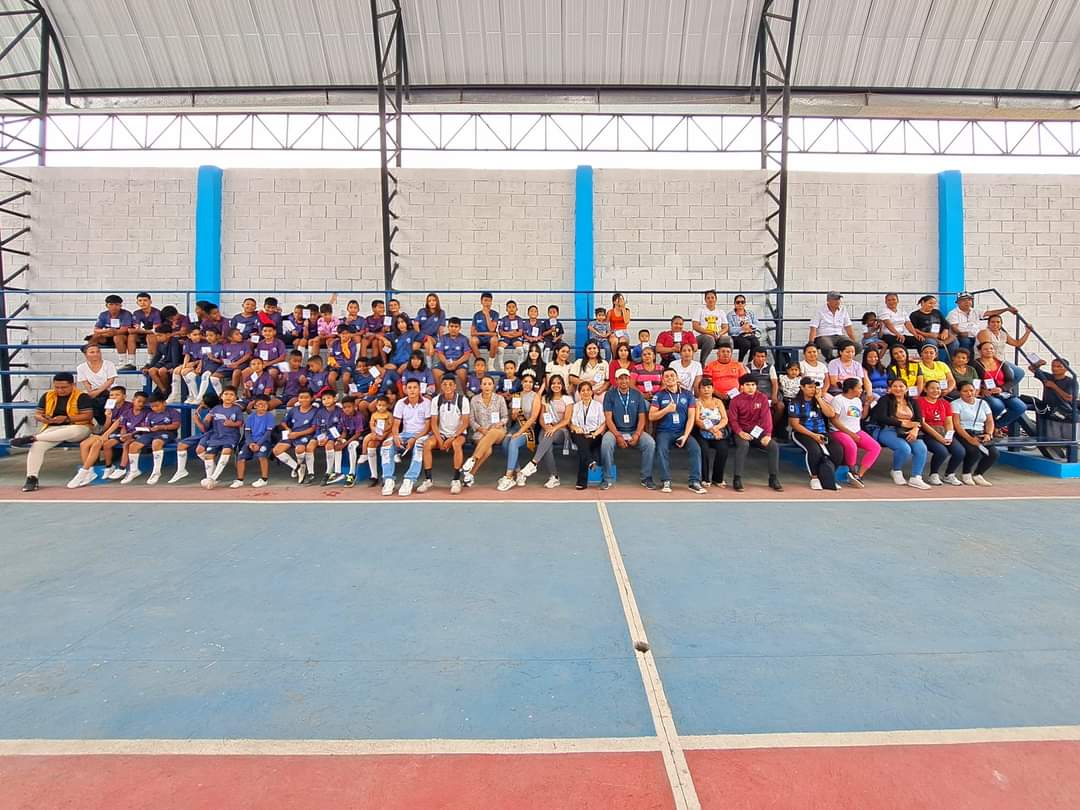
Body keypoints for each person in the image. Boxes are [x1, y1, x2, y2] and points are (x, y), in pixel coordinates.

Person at [12, 372, 94, 492]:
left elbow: (88, 416)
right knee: (37, 446)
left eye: (64, 387)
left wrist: (67, 419)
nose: (60, 390)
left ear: (73, 385)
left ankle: (33, 437)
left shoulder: (82, 396)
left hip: (78, 427)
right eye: (57, 387)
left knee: (73, 430)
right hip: (53, 429)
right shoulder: (48, 395)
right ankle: (32, 478)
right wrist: (43, 418)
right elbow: (37, 414)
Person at [649, 368, 706, 494]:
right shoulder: (659, 395)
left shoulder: (688, 395)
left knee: (696, 449)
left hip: (682, 431)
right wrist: (666, 410)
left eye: (672, 376)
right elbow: (651, 416)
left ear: (677, 378)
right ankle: (666, 480)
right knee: (661, 449)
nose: (670, 378)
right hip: (664, 432)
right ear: (663, 380)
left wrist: (685, 436)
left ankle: (694, 481)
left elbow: (691, 417)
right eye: (666, 376)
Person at [869, 378, 931, 489]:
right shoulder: (885, 399)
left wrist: (915, 429)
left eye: (901, 386)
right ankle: (896, 470)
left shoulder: (912, 401)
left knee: (921, 448)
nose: (898, 389)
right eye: (895, 386)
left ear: (906, 389)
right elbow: (882, 417)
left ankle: (916, 477)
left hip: (910, 430)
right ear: (890, 389)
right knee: (904, 448)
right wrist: (902, 423)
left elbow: (919, 419)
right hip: (888, 429)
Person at [600, 368, 655, 490]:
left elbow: (642, 418)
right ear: (616, 380)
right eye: (620, 378)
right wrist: (618, 436)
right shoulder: (610, 394)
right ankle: (607, 478)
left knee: (650, 443)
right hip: (615, 431)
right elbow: (608, 418)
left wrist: (637, 434)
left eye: (626, 378)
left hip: (634, 430)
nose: (623, 381)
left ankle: (646, 477)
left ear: (629, 379)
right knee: (606, 443)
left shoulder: (637, 394)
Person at [727, 374, 783, 492]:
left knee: (773, 445)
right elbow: (732, 420)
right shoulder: (735, 400)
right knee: (744, 445)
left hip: (758, 431)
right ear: (742, 387)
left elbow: (766, 417)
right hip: (741, 431)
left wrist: (768, 434)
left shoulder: (762, 398)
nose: (751, 387)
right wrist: (740, 432)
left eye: (753, 385)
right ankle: (737, 478)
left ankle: (773, 478)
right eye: (747, 385)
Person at [67, 385, 130, 487]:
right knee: (84, 444)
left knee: (97, 444)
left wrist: (105, 435)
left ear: (124, 396)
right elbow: (106, 426)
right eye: (112, 395)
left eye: (117, 395)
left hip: (122, 432)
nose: (114, 397)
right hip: (108, 432)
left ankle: (83, 471)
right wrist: (108, 417)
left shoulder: (128, 407)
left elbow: (118, 423)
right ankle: (89, 472)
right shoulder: (110, 407)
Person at [788, 378, 843, 491]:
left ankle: (829, 477)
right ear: (802, 387)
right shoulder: (795, 402)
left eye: (814, 387)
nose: (813, 389)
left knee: (837, 450)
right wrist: (813, 436)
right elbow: (795, 425)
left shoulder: (818, 400)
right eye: (810, 387)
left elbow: (831, 414)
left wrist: (819, 398)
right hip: (802, 433)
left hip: (821, 432)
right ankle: (814, 478)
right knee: (814, 451)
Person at [519, 375, 574, 489]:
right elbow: (541, 419)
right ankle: (554, 477)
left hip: (561, 430)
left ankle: (533, 463)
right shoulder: (545, 398)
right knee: (546, 446)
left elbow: (566, 420)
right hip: (546, 428)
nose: (556, 385)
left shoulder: (567, 399)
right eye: (553, 383)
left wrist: (554, 428)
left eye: (558, 383)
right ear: (550, 385)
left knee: (547, 439)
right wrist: (546, 427)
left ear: (562, 385)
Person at [381, 379, 432, 496]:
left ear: (419, 389)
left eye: (415, 387)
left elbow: (427, 427)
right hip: (405, 433)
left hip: (422, 434)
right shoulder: (400, 403)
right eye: (409, 388)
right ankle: (388, 479)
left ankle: (409, 479)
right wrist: (395, 437)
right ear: (405, 390)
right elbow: (396, 425)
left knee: (419, 446)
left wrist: (414, 438)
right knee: (386, 446)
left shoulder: (427, 403)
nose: (412, 390)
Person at [420, 376, 470, 493]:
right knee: (427, 445)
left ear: (455, 386)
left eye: (450, 384)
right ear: (441, 386)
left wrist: (452, 438)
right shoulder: (436, 400)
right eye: (445, 384)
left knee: (456, 445)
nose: (447, 387)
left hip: (458, 434)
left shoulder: (463, 400)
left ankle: (456, 480)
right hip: (441, 433)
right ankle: (428, 479)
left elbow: (465, 423)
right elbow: (433, 423)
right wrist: (440, 440)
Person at [828, 378, 881, 488]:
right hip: (838, 431)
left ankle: (859, 475)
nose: (861, 390)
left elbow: (862, 416)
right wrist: (851, 434)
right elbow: (834, 420)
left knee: (875, 447)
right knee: (851, 445)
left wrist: (867, 404)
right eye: (859, 388)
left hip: (856, 430)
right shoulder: (838, 400)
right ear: (850, 389)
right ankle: (852, 471)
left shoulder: (857, 400)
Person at [460, 374, 508, 487]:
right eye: (484, 384)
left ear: (493, 386)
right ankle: (470, 474)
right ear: (480, 386)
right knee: (487, 451)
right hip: (480, 432)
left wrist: (499, 423)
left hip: (498, 431)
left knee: (493, 432)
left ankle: (473, 458)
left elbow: (505, 417)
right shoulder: (474, 400)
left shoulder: (500, 399)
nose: (487, 386)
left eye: (489, 384)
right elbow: (471, 420)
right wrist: (481, 429)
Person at [497, 369, 541, 491]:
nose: (528, 384)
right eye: (525, 381)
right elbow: (513, 418)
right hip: (516, 426)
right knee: (505, 443)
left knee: (513, 442)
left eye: (530, 382)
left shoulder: (535, 397)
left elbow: (533, 418)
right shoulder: (516, 396)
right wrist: (514, 414)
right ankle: (518, 472)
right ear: (521, 382)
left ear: (533, 384)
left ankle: (508, 476)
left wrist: (520, 432)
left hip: (528, 429)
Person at [123, 392, 181, 485]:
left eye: (157, 406)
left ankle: (156, 472)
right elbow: (147, 426)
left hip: (167, 432)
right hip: (150, 433)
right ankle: (134, 470)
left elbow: (176, 425)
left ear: (164, 403)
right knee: (133, 446)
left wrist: (161, 427)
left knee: (156, 443)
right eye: (152, 406)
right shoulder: (150, 414)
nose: (155, 408)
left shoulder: (173, 412)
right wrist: (135, 433)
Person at [972, 340, 1028, 432]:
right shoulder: (975, 364)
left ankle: (996, 426)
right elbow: (974, 379)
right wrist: (982, 390)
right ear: (980, 351)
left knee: (1020, 407)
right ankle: (988, 425)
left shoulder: (1002, 364)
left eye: (991, 348)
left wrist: (1001, 389)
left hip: (1002, 392)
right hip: (987, 393)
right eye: (986, 349)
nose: (989, 350)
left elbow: (1010, 380)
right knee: (998, 406)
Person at [918, 379, 964, 486]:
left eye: (938, 388)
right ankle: (933, 475)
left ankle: (949, 475)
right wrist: (940, 438)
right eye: (932, 388)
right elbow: (923, 423)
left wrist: (949, 435)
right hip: (927, 433)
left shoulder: (945, 403)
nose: (936, 391)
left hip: (943, 431)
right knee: (942, 452)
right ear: (926, 389)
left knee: (960, 451)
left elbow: (948, 422)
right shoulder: (920, 402)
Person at [197, 386, 245, 489]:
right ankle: (209, 478)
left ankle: (213, 478)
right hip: (217, 436)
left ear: (235, 398)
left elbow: (240, 423)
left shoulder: (237, 409)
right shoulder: (216, 409)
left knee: (226, 450)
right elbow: (206, 426)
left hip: (231, 436)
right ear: (221, 396)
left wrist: (232, 424)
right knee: (208, 455)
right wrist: (207, 419)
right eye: (226, 394)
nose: (228, 397)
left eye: (231, 395)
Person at [1028, 357, 1077, 457]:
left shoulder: (1071, 382)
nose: (1055, 369)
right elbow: (1032, 369)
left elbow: (1069, 398)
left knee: (1070, 441)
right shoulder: (1048, 377)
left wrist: (1054, 386)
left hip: (1065, 412)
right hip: (1050, 412)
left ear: (1066, 369)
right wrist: (1038, 364)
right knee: (1052, 440)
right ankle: (1058, 455)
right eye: (1053, 366)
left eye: (1058, 367)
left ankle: (1070, 457)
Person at [952, 382, 998, 485]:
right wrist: (969, 438)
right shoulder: (956, 404)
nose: (969, 393)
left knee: (993, 453)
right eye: (965, 391)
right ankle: (966, 473)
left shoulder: (983, 403)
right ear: (959, 392)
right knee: (974, 450)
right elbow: (957, 424)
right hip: (964, 433)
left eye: (971, 390)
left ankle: (978, 474)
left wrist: (988, 434)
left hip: (980, 433)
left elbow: (990, 421)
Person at [273, 389, 319, 484]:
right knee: (276, 450)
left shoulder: (315, 411)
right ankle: (298, 467)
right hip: (292, 433)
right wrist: (288, 429)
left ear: (311, 398)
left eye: (306, 397)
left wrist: (297, 434)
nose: (303, 400)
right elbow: (283, 422)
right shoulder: (293, 410)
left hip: (305, 435)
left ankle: (302, 470)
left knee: (300, 449)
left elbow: (313, 428)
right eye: (301, 397)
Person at [229, 395, 275, 489]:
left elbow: (268, 433)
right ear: (255, 406)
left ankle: (264, 479)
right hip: (251, 442)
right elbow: (247, 432)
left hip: (264, 442)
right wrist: (250, 443)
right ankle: (240, 480)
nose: (262, 406)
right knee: (241, 456)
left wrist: (258, 444)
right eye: (259, 404)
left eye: (265, 404)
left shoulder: (270, 416)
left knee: (262, 456)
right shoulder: (251, 417)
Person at [569, 381, 606, 490]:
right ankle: (590, 461)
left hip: (594, 434)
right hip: (579, 434)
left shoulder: (598, 405)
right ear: (579, 393)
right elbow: (572, 423)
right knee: (580, 439)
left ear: (591, 391)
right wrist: (577, 429)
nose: (585, 392)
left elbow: (603, 423)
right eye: (583, 390)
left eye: (588, 390)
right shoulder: (576, 406)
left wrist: (595, 434)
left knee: (583, 448)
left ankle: (582, 482)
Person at [977, 312, 1032, 386]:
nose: (995, 324)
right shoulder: (984, 332)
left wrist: (1027, 332)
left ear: (1001, 324)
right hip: (986, 360)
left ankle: (1004, 388)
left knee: (1020, 373)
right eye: (992, 322)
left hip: (1000, 361)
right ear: (988, 323)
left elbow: (1017, 343)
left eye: (998, 322)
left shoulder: (1003, 334)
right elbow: (987, 350)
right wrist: (1002, 365)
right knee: (1010, 373)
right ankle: (999, 389)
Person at [694, 378, 729, 488]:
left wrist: (717, 428)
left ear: (713, 389)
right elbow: (697, 420)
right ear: (699, 390)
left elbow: (725, 418)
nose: (706, 390)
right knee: (704, 450)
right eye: (703, 388)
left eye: (709, 387)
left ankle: (717, 478)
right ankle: (705, 479)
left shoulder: (718, 402)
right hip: (702, 431)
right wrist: (711, 429)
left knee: (723, 449)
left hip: (718, 430)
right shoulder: (697, 402)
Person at [87, 294, 136, 369]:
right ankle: (93, 362)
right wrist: (106, 331)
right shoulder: (103, 314)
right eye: (111, 304)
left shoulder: (126, 314)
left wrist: (109, 333)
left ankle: (122, 362)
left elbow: (124, 330)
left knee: (117, 337)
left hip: (123, 337)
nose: (114, 307)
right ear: (106, 305)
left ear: (120, 306)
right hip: (109, 335)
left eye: (116, 304)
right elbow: (96, 329)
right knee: (93, 338)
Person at [75, 343, 118, 424]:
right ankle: (100, 423)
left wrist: (98, 391)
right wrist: (91, 392)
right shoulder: (81, 367)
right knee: (87, 401)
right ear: (85, 354)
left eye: (98, 352)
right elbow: (86, 383)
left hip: (110, 391)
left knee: (107, 402)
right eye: (92, 352)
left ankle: (109, 423)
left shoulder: (109, 364)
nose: (96, 354)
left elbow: (110, 381)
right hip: (94, 392)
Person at [905, 295, 957, 360]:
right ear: (923, 302)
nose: (932, 305)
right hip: (925, 337)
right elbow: (913, 329)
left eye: (934, 304)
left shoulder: (937, 312)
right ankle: (934, 362)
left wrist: (945, 331)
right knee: (931, 343)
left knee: (954, 342)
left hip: (939, 336)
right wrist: (929, 335)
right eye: (930, 303)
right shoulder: (915, 314)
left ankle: (950, 363)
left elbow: (945, 324)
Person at [808, 291, 856, 359]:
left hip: (839, 336)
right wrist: (811, 343)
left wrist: (853, 341)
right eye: (835, 299)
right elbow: (813, 328)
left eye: (838, 299)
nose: (838, 301)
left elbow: (848, 327)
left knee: (857, 346)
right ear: (828, 300)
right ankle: (831, 360)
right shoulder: (820, 311)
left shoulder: (843, 310)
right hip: (824, 336)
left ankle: (839, 360)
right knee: (826, 346)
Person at [691, 289, 730, 364]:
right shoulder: (700, 310)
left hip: (717, 336)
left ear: (716, 299)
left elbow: (726, 327)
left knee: (728, 339)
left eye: (712, 297)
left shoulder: (721, 312)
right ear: (705, 300)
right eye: (708, 298)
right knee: (709, 339)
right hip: (701, 337)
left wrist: (719, 334)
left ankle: (727, 363)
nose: (710, 299)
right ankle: (702, 363)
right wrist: (710, 333)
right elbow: (695, 326)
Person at [362, 396, 394, 485]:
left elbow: (391, 425)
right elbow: (371, 424)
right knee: (369, 442)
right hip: (376, 433)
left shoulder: (389, 414)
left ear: (387, 406)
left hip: (387, 433)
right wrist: (376, 431)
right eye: (379, 405)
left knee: (386, 446)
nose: (381, 407)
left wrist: (384, 432)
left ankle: (385, 476)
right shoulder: (374, 414)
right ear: (376, 405)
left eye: (383, 405)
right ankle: (374, 475)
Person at [338, 396, 367, 486]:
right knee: (337, 444)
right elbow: (344, 431)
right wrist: (341, 439)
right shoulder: (343, 415)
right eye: (344, 407)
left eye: (349, 407)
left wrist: (345, 444)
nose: (346, 409)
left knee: (351, 446)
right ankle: (337, 472)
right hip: (350, 435)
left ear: (354, 406)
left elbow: (358, 434)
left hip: (361, 437)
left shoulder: (359, 417)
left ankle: (352, 474)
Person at [726, 295, 762, 363]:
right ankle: (740, 362)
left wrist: (750, 326)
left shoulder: (750, 313)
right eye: (738, 302)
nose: (740, 304)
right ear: (734, 304)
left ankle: (750, 363)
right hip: (737, 336)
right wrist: (742, 328)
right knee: (746, 344)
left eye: (742, 302)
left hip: (750, 335)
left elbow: (757, 325)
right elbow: (730, 330)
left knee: (756, 343)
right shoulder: (730, 315)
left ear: (745, 304)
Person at [469, 292, 500, 361]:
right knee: (472, 340)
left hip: (490, 338)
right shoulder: (477, 315)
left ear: (491, 302)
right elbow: (472, 332)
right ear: (481, 301)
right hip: (479, 338)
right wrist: (488, 333)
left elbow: (491, 329)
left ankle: (490, 363)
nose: (487, 303)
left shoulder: (495, 314)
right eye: (485, 300)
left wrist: (487, 315)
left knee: (494, 340)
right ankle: (480, 361)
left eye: (489, 301)